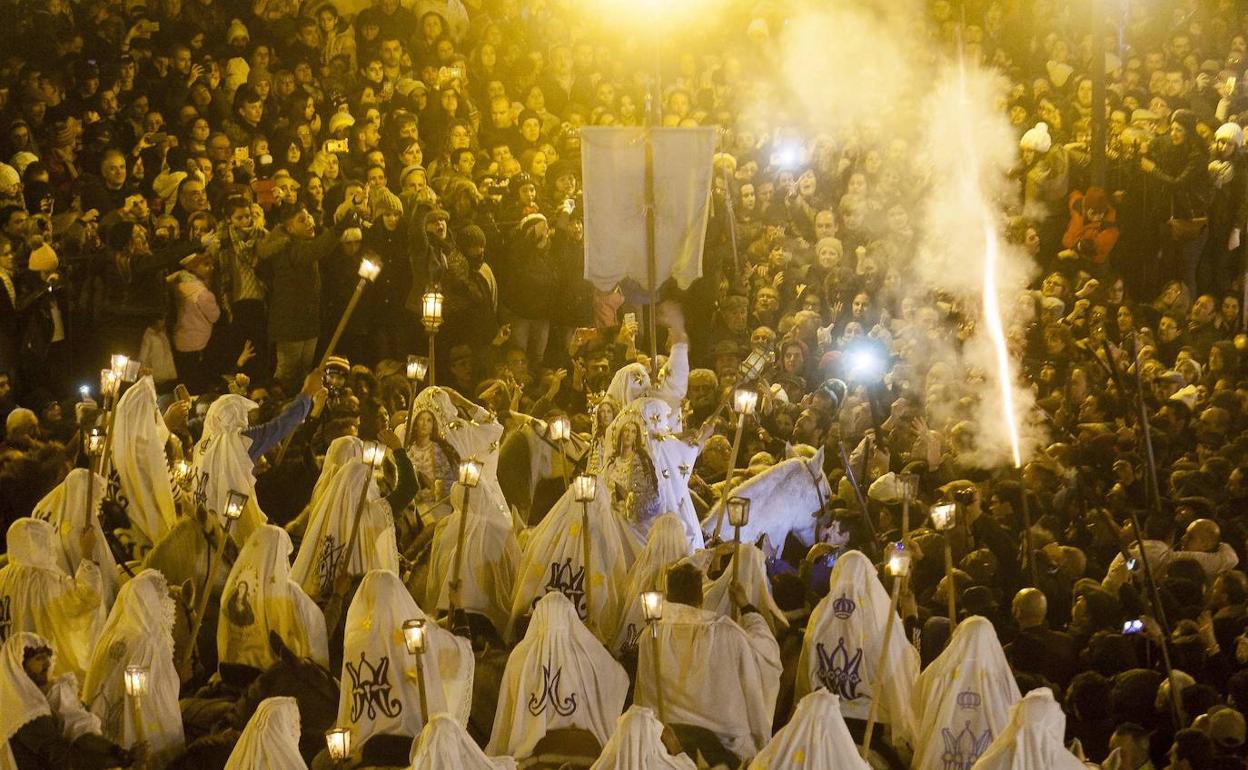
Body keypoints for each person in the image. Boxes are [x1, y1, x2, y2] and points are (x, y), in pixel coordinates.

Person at [635, 562, 781, 763]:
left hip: (665, 739)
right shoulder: (728, 635)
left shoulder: (650, 635)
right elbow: (767, 653)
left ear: (669, 595)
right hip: (722, 747)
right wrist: (746, 608)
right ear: (701, 597)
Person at [489, 592, 629, 761]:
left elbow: (509, 707)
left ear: (538, 617)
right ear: (571, 617)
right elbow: (618, 677)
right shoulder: (587, 655)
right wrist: (595, 644)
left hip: (530, 751)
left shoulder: (521, 657)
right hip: (581, 744)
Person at [81, 570, 184, 766]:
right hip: (136, 739)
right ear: (151, 604)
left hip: (103, 736)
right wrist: (178, 679)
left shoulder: (109, 637)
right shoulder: (147, 643)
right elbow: (155, 698)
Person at [1, 633, 138, 770]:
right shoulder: (28, 711)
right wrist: (118, 760)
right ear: (19, 667)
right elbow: (64, 761)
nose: (47, 663)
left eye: (47, 657)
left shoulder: (17, 702)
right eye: (39, 659)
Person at [223, 696, 307, 770]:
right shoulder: (291, 765)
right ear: (281, 729)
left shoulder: (238, 762)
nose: (299, 730)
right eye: (295, 723)